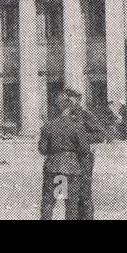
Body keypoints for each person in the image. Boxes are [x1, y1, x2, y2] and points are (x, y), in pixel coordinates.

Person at [39, 90, 90, 220]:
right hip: (72, 169)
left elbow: (42, 149)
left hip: (52, 168)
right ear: (70, 108)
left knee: (49, 203)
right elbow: (85, 149)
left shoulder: (48, 126)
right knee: (71, 205)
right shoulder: (77, 126)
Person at [66, 88, 104, 220]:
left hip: (83, 160)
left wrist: (80, 137)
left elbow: (100, 134)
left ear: (77, 100)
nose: (67, 102)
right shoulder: (61, 117)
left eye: (70, 99)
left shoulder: (85, 115)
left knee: (84, 194)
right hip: (66, 160)